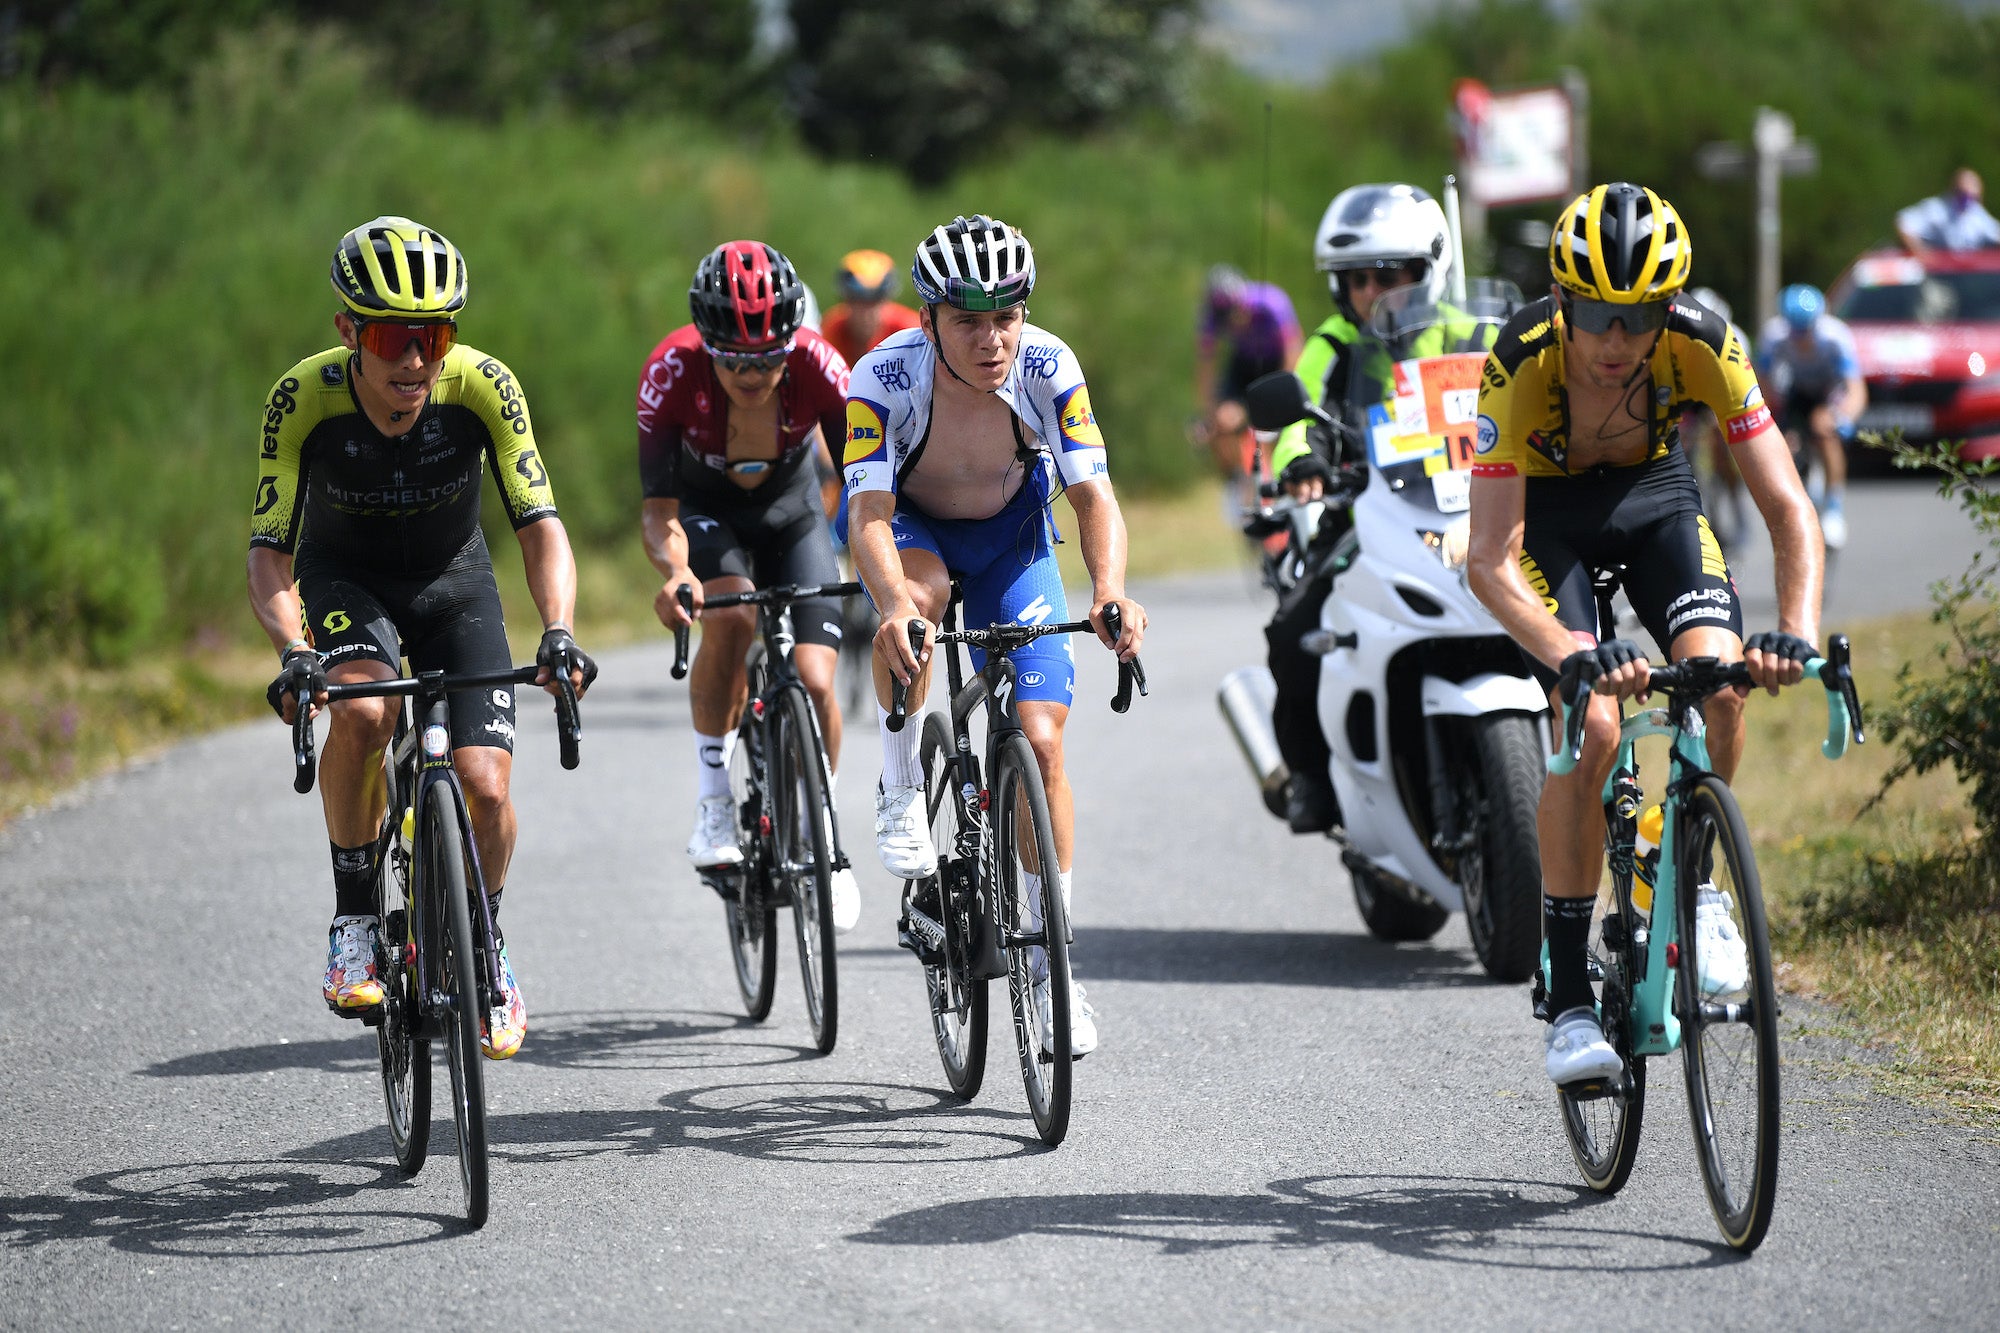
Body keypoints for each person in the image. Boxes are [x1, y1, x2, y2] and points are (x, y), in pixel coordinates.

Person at [1464, 182, 1825, 1086]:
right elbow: (1489, 560)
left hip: (1654, 495)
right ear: (1561, 301)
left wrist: (1798, 628)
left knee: (1723, 683)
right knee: (1590, 727)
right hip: (1542, 515)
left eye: (1639, 315)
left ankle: (1690, 884)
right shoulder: (1519, 358)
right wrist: (1573, 654)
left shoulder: (1704, 341)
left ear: (1667, 307)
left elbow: (1788, 507)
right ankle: (1566, 985)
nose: (1617, 341)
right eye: (1595, 314)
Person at [249, 216, 596, 1061]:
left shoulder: (481, 386)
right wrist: (295, 649)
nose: (415, 360)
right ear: (349, 332)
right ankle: (355, 915)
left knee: (484, 782)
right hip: (346, 584)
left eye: (434, 335)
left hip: (455, 585)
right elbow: (269, 552)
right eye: (394, 338)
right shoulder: (305, 397)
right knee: (364, 717)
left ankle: (486, 941)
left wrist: (559, 629)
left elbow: (540, 526)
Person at [841, 215, 1148, 1056]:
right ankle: (901, 780)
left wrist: (1111, 588)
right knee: (923, 599)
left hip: (1013, 539)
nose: (991, 338)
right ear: (929, 317)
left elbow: (1094, 496)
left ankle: (1055, 973)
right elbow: (866, 510)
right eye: (968, 320)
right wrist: (896, 602)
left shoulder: (1051, 367)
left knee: (1043, 741)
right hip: (913, 530)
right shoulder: (881, 375)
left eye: (1005, 315)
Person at [638, 240, 861, 933]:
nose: (753, 374)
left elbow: (865, 480)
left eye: (767, 358)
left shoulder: (823, 367)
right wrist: (677, 573)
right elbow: (658, 511)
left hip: (793, 514)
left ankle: (825, 836)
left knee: (818, 680)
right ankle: (713, 802)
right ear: (707, 345)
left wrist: (884, 561)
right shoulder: (670, 372)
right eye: (734, 360)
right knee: (730, 622)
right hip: (707, 517)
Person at [1262, 182, 1462, 834]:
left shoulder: (1464, 334)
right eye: (1358, 278)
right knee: (1294, 630)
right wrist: (1300, 462)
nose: (1374, 290)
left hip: (1465, 514)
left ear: (1428, 273)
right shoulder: (1333, 343)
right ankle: (1312, 778)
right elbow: (1297, 415)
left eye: (1391, 274)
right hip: (1364, 514)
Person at [1756, 283, 1866, 550]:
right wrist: (1775, 422)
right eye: (1795, 330)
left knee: (1824, 430)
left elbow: (1856, 389)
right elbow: (1763, 383)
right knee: (1783, 441)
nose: (1801, 337)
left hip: (1830, 392)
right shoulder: (1773, 336)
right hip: (1796, 391)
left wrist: (1844, 419)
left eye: (1806, 330)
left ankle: (1833, 508)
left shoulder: (1835, 336)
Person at [818, 250, 923, 520]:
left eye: (874, 301)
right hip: (850, 423)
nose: (865, 311)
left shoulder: (909, 328)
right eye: (856, 301)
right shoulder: (832, 327)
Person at [1193, 264, 1303, 489]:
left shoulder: (1271, 302)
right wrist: (1209, 412)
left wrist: (1280, 393)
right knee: (1223, 421)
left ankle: (1275, 475)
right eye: (1226, 318)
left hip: (1275, 363)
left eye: (1236, 312)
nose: (1233, 322)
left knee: (1273, 425)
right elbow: (1206, 368)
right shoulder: (1212, 317)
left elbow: (1293, 351)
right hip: (1243, 366)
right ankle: (1236, 481)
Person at [1681, 287, 1750, 546]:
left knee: (1721, 445)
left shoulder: (1736, 338)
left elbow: (1740, 392)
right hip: (1689, 394)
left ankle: (1736, 505)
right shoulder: (1673, 333)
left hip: (1720, 393)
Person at [1896, 168, 2000, 253]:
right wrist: (1920, 251)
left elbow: (1995, 233)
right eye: (1963, 194)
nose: (1967, 199)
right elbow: (1904, 222)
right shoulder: (1936, 209)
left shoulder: (1976, 214)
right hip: (1933, 273)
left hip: (1964, 274)